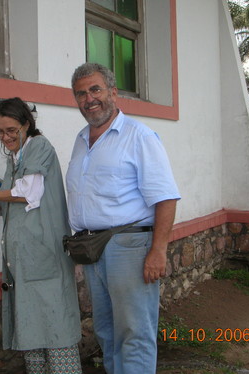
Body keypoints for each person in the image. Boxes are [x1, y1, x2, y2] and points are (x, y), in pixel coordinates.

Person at [66, 63, 181, 374]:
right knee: (106, 330)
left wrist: (158, 250)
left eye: (95, 90)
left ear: (113, 92)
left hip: (130, 246)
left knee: (134, 330)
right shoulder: (81, 139)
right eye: (80, 94)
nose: (88, 99)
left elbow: (166, 197)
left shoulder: (138, 136)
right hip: (93, 248)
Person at [0, 97, 82, 374]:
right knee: (31, 327)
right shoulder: (16, 156)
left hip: (44, 256)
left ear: (26, 124)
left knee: (55, 326)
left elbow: (28, 193)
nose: (5, 137)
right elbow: (20, 196)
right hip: (24, 260)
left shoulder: (39, 147)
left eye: (11, 130)